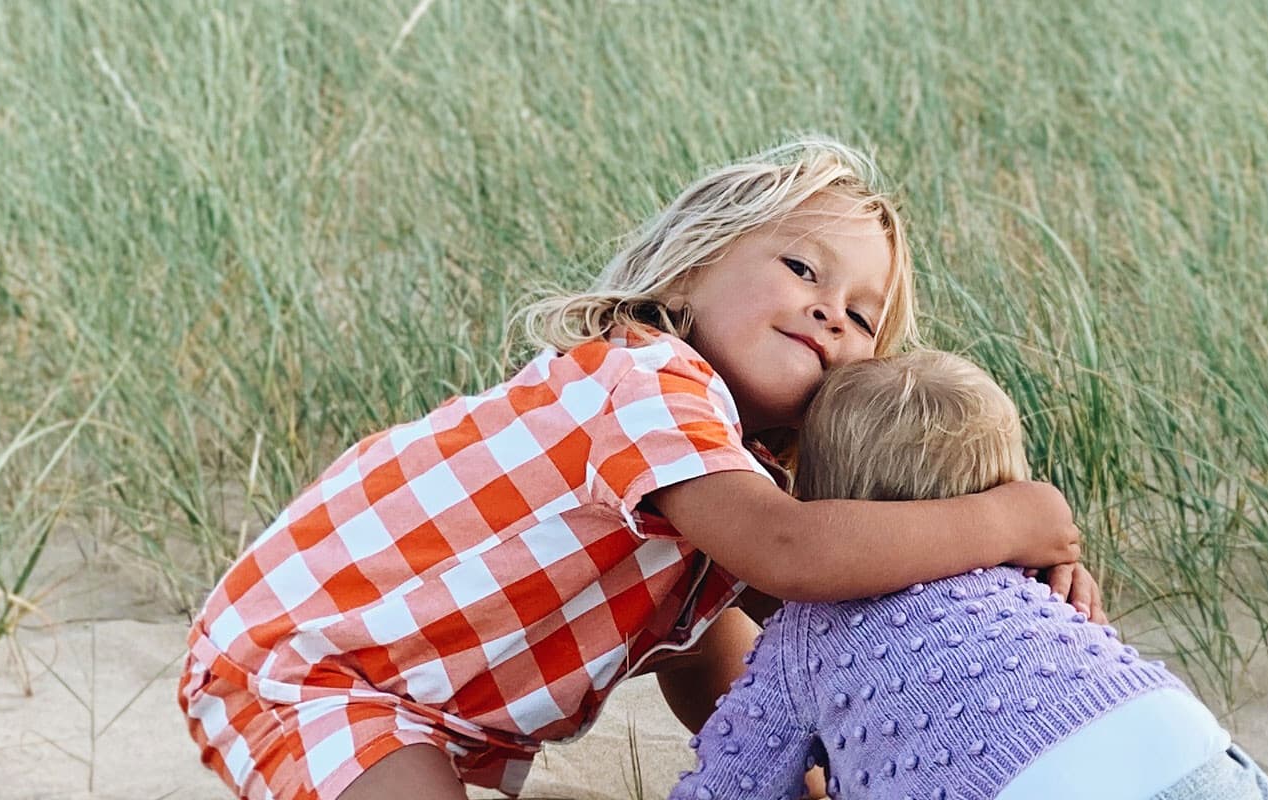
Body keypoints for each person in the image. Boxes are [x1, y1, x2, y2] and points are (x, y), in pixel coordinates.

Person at [176, 138, 1098, 800]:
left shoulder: (739, 478)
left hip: (422, 697)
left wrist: (1001, 588)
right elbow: (792, 556)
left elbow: (754, 627)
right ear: (687, 273)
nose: (829, 314)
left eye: (861, 317)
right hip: (312, 666)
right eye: (801, 269)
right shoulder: (648, 378)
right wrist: (1017, 520)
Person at [671, 351, 1268, 800]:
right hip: (1185, 744)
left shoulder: (804, 635)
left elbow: (730, 784)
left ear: (817, 492)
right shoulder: (1028, 575)